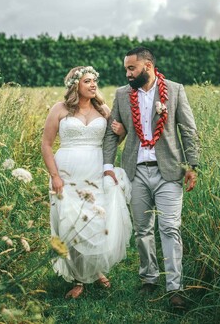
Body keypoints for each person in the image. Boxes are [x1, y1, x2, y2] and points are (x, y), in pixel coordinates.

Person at [103, 47, 199, 310]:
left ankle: (175, 288)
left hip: (168, 171)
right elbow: (113, 133)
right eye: (126, 69)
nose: (127, 73)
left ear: (147, 66)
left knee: (169, 228)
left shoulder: (175, 90)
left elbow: (188, 129)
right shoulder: (123, 94)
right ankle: (149, 277)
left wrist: (193, 165)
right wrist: (107, 166)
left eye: (131, 68)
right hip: (135, 170)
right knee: (143, 230)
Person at [41, 66, 132, 299]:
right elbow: (47, 145)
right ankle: (79, 278)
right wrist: (54, 176)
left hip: (95, 170)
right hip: (67, 173)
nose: (93, 85)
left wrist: (121, 132)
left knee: (96, 220)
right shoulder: (59, 109)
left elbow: (113, 140)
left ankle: (96, 269)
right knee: (70, 222)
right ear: (75, 86)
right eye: (87, 81)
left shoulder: (102, 109)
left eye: (95, 81)